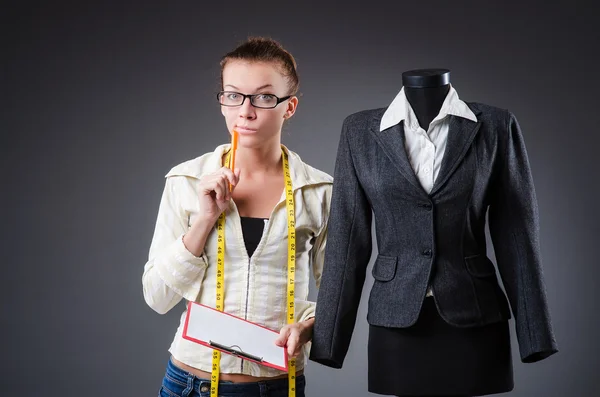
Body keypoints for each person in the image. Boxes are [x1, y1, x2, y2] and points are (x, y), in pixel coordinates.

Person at [142, 37, 332, 397]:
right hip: (188, 384)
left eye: (263, 97)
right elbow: (157, 297)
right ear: (223, 103)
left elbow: (339, 296)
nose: (245, 111)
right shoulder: (185, 180)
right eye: (233, 95)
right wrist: (203, 220)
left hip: (277, 386)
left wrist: (308, 326)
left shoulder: (320, 192)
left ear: (289, 107)